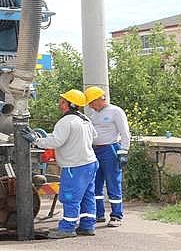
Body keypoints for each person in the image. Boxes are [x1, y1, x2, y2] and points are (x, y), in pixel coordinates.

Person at [31, 89, 99, 239]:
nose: (60, 105)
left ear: (70, 104)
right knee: (88, 195)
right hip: (90, 163)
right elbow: (95, 136)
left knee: (70, 197)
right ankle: (87, 225)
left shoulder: (65, 121)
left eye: (62, 102)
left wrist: (35, 141)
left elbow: (56, 141)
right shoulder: (85, 119)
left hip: (74, 166)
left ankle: (67, 228)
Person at [84, 86, 131, 227]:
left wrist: (124, 150)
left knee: (113, 183)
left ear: (100, 99)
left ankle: (116, 216)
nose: (91, 105)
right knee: (95, 184)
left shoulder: (115, 111)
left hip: (110, 150)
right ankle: (99, 214)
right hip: (94, 151)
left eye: (92, 102)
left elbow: (125, 132)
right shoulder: (92, 114)